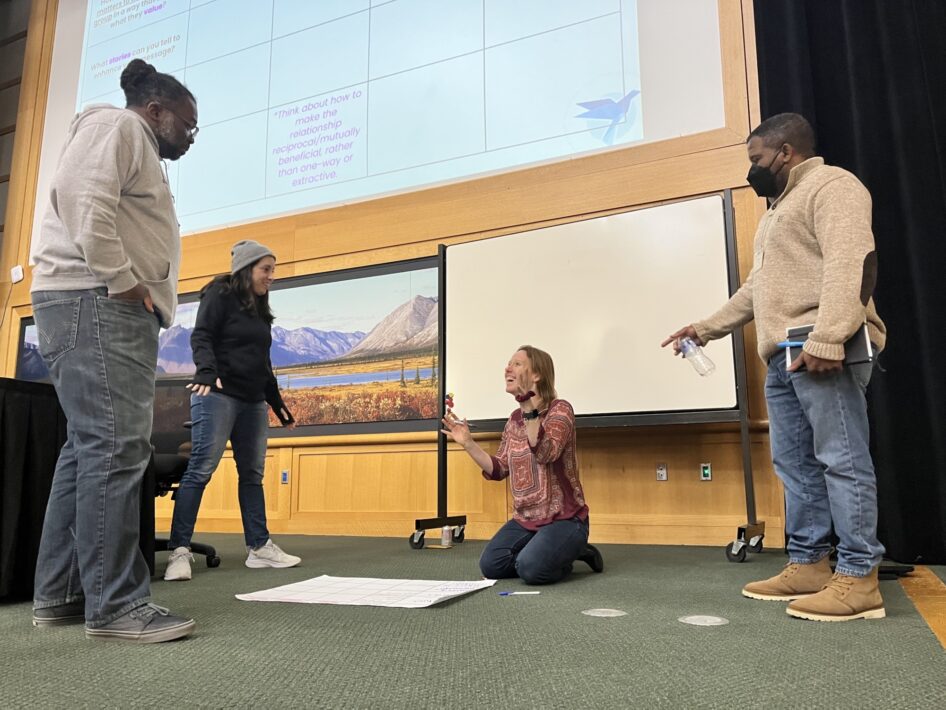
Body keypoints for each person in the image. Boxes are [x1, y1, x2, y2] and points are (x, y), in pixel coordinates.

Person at [662, 113, 887, 622]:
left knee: (841, 459)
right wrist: (704, 328)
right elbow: (757, 291)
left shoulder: (834, 186)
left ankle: (858, 578)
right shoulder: (775, 213)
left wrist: (829, 336)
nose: (753, 171)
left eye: (757, 160)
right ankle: (808, 563)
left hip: (822, 346)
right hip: (784, 355)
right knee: (795, 465)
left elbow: (854, 261)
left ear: (786, 152)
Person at [29, 59, 198, 642]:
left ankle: (64, 593)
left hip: (89, 303)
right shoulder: (119, 127)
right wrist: (123, 280)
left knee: (88, 449)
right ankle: (117, 606)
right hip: (98, 301)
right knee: (118, 448)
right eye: (187, 123)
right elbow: (79, 195)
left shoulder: (130, 141)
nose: (192, 135)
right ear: (155, 109)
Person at [164, 241, 300, 581]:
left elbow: (263, 361)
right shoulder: (220, 294)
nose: (271, 277)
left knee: (252, 474)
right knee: (200, 470)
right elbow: (202, 336)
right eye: (265, 269)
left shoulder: (259, 307)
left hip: (252, 400)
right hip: (218, 396)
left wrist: (276, 403)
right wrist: (207, 372)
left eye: (273, 270)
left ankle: (259, 547)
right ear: (246, 268)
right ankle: (179, 552)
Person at [441, 345, 603, 584]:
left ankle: (576, 550)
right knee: (491, 566)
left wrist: (528, 405)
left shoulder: (561, 410)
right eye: (509, 363)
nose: (507, 367)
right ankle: (547, 551)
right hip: (526, 519)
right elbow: (499, 469)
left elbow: (546, 452)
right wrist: (468, 443)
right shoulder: (514, 420)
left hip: (565, 519)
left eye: (517, 364)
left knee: (531, 570)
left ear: (536, 374)